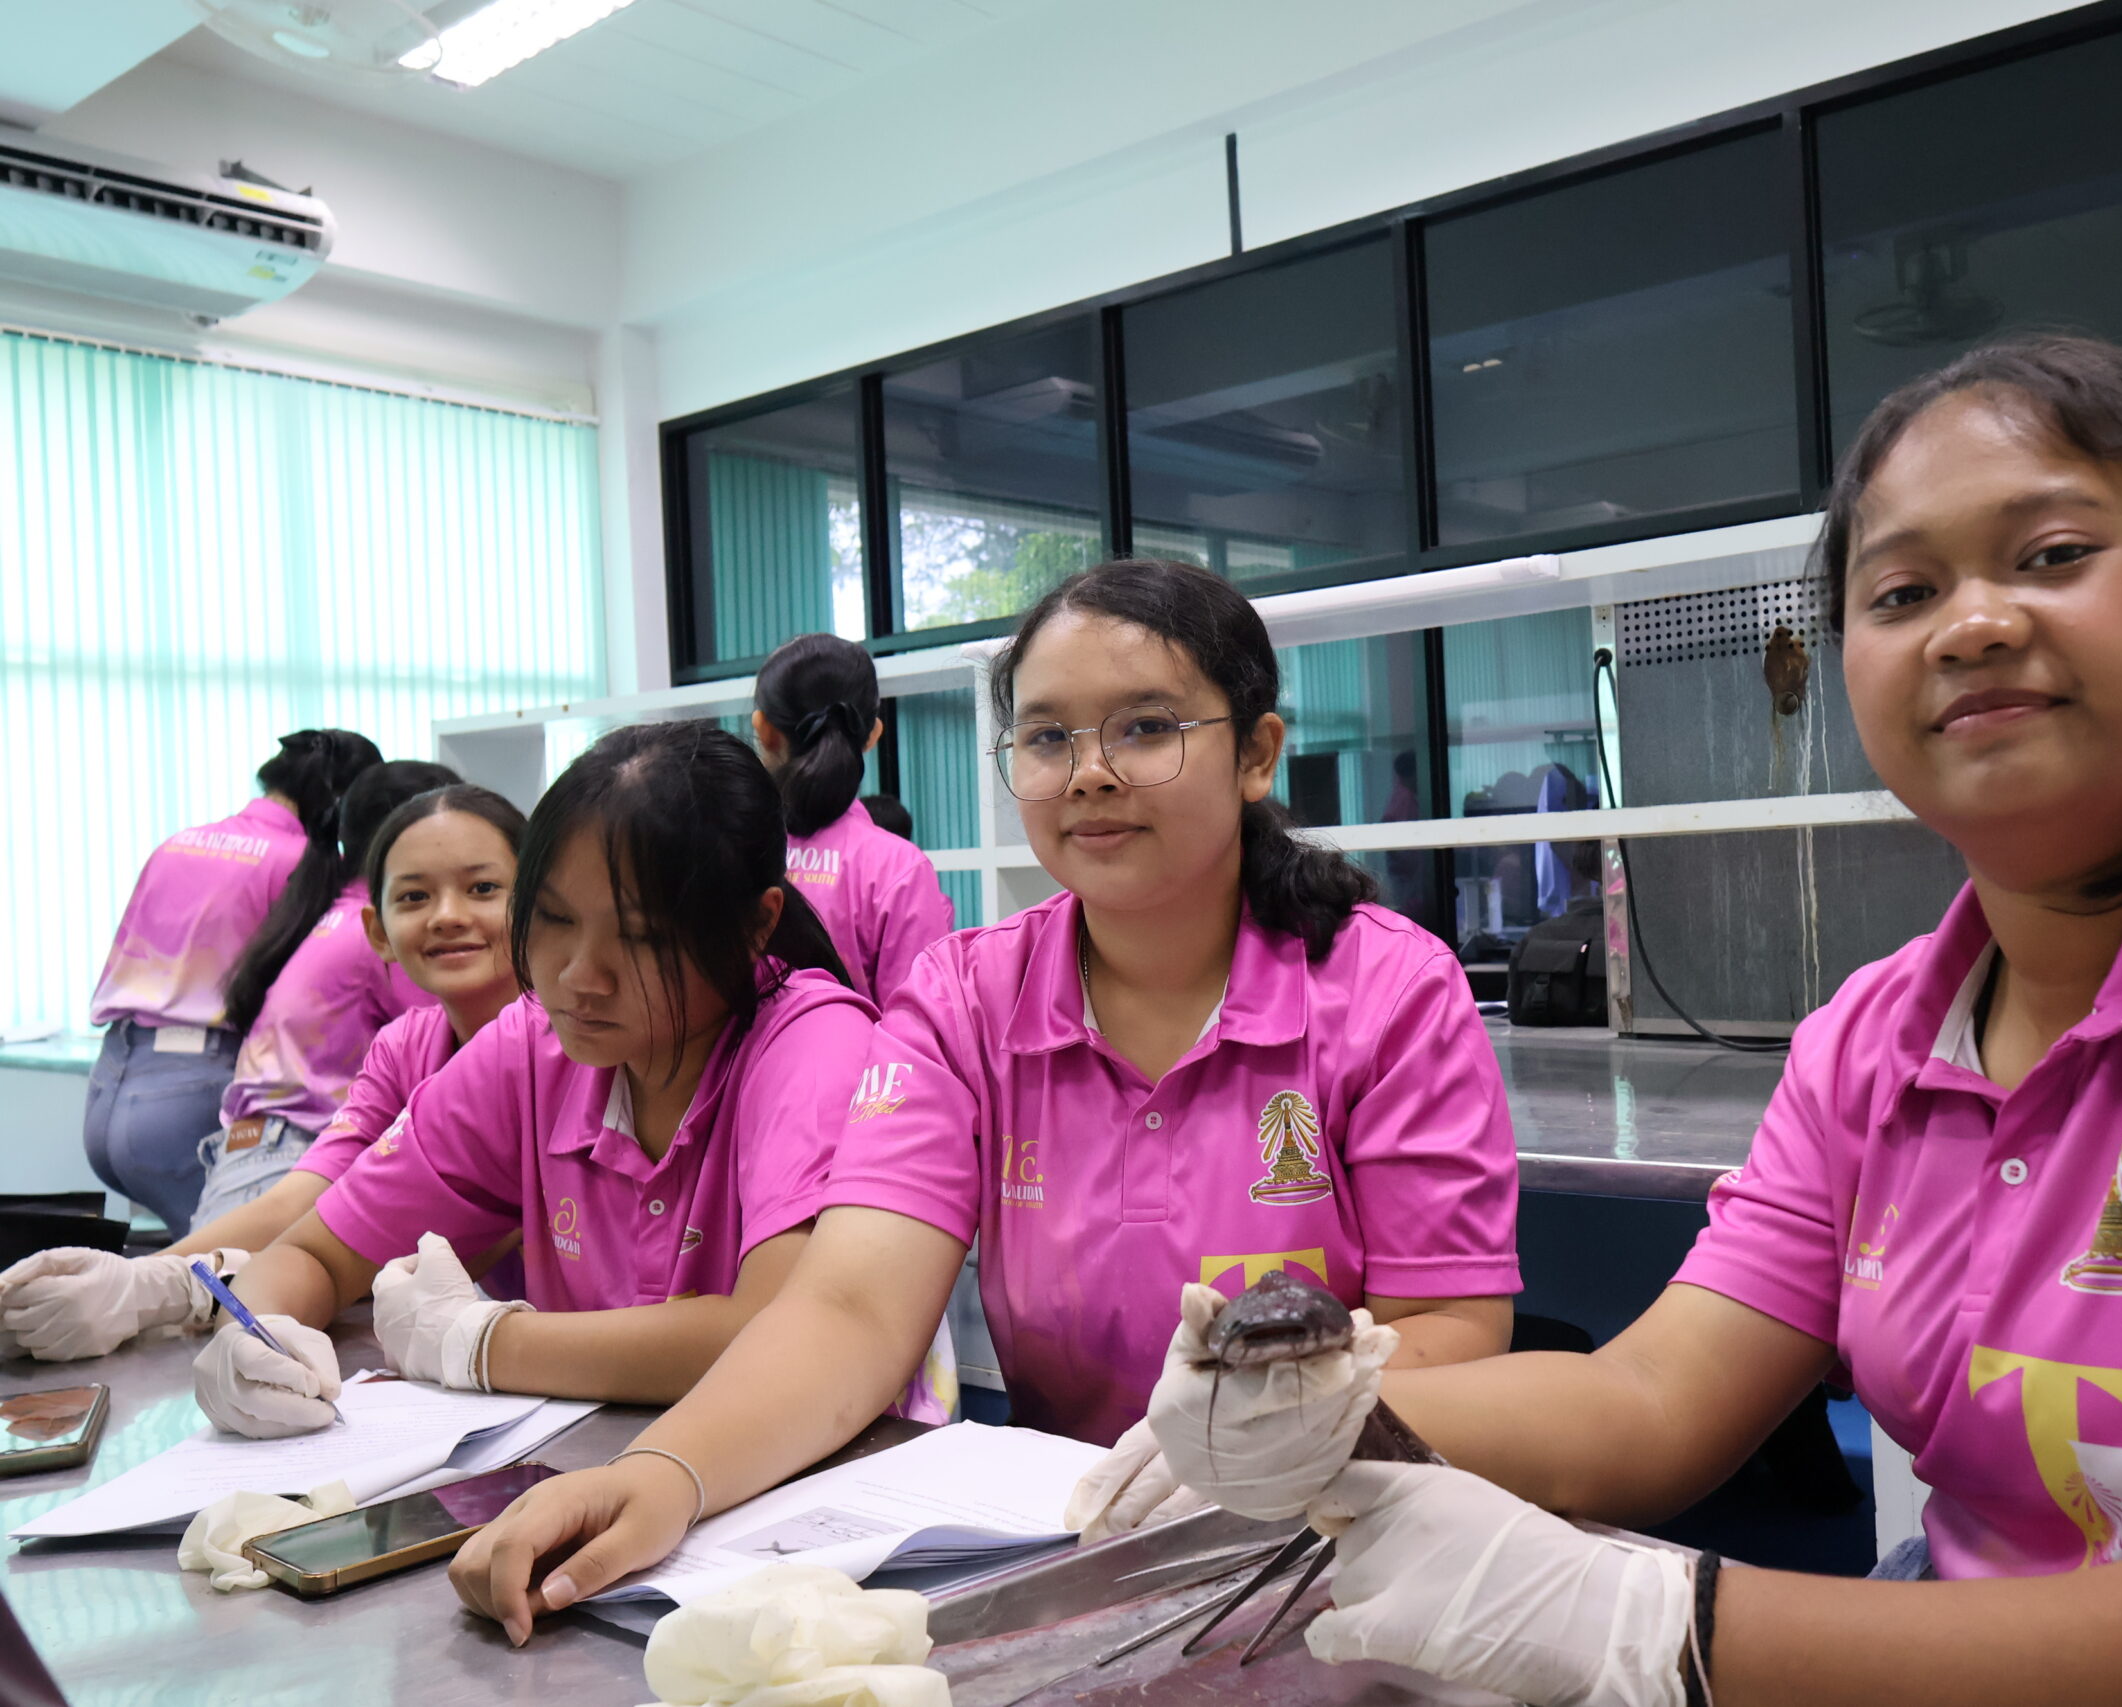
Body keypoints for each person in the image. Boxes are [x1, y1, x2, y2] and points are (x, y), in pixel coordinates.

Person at [1132, 336, 2122, 1707]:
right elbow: (1652, 1398)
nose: (1975, 624)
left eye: (2054, 554)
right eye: (1902, 591)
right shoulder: (1876, 1039)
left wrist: (1661, 1626)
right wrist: (1332, 1409)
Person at [448, 557, 1522, 1644]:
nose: (1088, 774)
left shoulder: (1387, 991)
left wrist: (1278, 1422)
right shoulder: (964, 1000)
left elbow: (1453, 1327)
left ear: (1255, 753)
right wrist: (664, 1473)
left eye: (1146, 728)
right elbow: (851, 1309)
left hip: (1341, 1557)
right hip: (1081, 1561)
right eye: (1047, 738)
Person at [191, 722, 955, 1439]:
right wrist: (256, 1335)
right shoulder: (531, 1046)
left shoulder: (812, 1044)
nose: (580, 975)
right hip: (594, 1474)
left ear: (757, 925)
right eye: (554, 920)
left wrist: (486, 1342)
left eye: (641, 936)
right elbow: (320, 1252)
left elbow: (777, 1333)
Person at [0, 784, 529, 1363]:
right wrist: (145, 1281)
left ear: (537, 902)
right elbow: (307, 1203)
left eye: (483, 888)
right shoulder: (404, 1047)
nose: (448, 916)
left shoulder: (560, 1048)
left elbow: (443, 1240)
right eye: (415, 896)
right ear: (377, 930)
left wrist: (191, 1287)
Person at [82, 728, 381, 1235]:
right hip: (194, 1089)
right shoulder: (298, 862)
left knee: (196, 1266)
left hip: (111, 1082)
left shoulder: (179, 842)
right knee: (233, 1270)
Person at [192, 761, 461, 1229]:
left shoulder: (331, 912)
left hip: (267, 1149)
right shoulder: (380, 936)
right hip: (290, 1157)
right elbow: (455, 1055)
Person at [750, 634, 951, 1007]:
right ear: (873, 735)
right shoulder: (898, 869)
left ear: (763, 729)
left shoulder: (729, 848)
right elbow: (920, 1022)